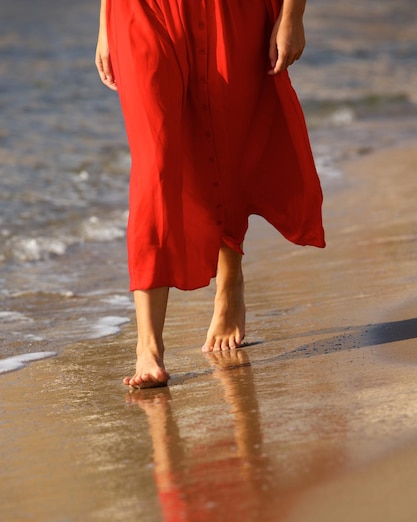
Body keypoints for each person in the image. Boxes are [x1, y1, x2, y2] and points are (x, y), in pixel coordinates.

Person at [95, 0, 325, 389]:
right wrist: (105, 23)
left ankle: (230, 279)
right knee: (156, 163)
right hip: (140, 11)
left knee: (226, 145)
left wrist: (292, 15)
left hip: (231, 11)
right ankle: (148, 346)